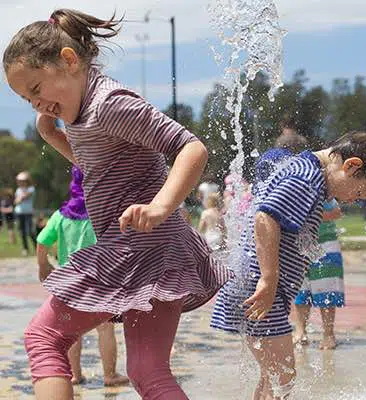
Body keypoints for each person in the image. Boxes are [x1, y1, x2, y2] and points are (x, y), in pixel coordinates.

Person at [4, 9, 230, 399]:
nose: (38, 104)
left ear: (69, 61)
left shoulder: (109, 103)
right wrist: (57, 139)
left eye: (38, 89)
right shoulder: (85, 109)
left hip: (139, 248)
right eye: (28, 100)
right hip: (158, 249)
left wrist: (160, 206)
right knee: (147, 371)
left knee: (43, 338)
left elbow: (191, 147)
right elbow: (103, 169)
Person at [211, 131, 366, 399]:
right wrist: (268, 279)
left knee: (271, 376)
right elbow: (265, 216)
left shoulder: (308, 174)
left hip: (258, 287)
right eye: (358, 192)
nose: (352, 200)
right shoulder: (306, 178)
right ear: (351, 166)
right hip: (259, 288)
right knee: (284, 375)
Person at [36, 166, 129, 387]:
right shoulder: (103, 213)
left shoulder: (60, 215)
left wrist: (43, 266)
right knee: (105, 327)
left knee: (71, 330)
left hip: (69, 282)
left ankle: (75, 374)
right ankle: (110, 375)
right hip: (100, 281)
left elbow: (42, 242)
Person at [292, 198, 344, 350]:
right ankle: (300, 331)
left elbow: (336, 212)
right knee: (300, 289)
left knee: (326, 289)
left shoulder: (322, 191)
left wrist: (307, 214)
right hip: (299, 244)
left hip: (324, 243)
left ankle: (328, 334)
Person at [14, 171, 37, 256]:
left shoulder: (31, 189)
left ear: (27, 181)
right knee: (22, 232)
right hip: (19, 213)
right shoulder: (18, 190)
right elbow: (16, 201)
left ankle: (36, 247)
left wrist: (20, 198)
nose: (21, 182)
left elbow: (24, 197)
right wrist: (19, 198)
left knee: (30, 231)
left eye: (23, 180)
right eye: (20, 181)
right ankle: (25, 249)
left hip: (28, 213)